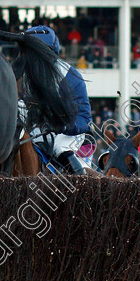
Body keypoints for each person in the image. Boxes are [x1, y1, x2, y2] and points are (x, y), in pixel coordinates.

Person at [24, 25, 91, 175]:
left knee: (60, 149)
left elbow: (84, 119)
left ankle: (81, 188)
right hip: (32, 130)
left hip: (65, 134)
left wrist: (61, 126)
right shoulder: (19, 74)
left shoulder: (70, 76)